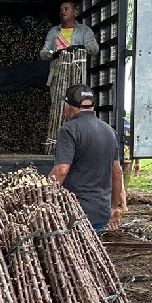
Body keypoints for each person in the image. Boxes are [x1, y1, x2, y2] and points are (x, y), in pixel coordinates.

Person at [50, 84, 126, 232]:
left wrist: (44, 198)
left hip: (75, 211)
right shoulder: (110, 131)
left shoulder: (69, 130)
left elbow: (61, 170)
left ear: (68, 106)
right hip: (101, 212)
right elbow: (117, 172)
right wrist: (114, 208)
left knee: (72, 253)